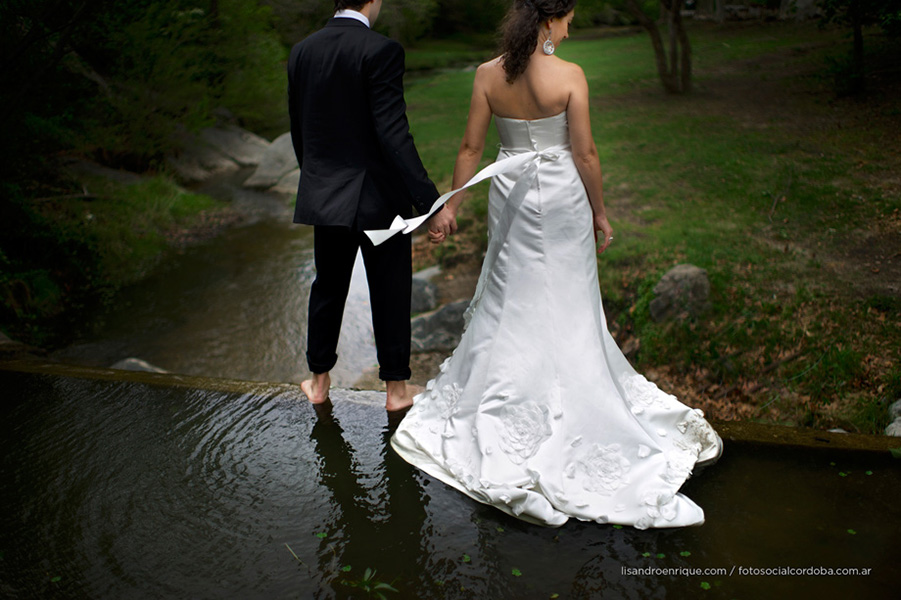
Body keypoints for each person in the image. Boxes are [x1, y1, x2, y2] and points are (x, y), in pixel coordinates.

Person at [390, 0, 723, 528]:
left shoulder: (486, 74)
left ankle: (504, 399)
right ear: (550, 19)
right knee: (565, 296)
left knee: (512, 294)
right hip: (564, 199)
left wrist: (450, 204)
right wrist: (601, 211)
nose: (572, 27)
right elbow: (585, 154)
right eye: (568, 18)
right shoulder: (568, 75)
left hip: (511, 196)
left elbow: (471, 146)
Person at [287, 0, 451, 411]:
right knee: (391, 288)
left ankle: (319, 383)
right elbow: (394, 134)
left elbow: (299, 128)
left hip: (325, 192)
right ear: (372, 0)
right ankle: (396, 392)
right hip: (379, 199)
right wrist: (430, 202)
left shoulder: (302, 50)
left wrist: (316, 180)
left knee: (327, 286)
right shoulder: (381, 50)